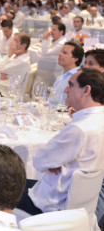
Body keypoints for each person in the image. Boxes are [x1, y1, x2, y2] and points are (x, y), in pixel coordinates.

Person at [16, 69, 104, 215]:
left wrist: (53, 162)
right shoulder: (95, 121)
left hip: (51, 205)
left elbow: (39, 160)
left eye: (71, 85)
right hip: (82, 204)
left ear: (86, 90)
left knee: (1, 188)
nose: (65, 89)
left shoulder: (79, 129)